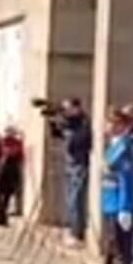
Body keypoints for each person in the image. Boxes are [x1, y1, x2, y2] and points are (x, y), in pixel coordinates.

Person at [95, 107, 133, 264]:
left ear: (123, 126)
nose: (109, 126)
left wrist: (125, 207)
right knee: (113, 248)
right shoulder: (114, 146)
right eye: (108, 122)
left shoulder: (126, 148)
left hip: (121, 205)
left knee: (123, 250)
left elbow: (127, 180)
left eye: (113, 123)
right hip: (110, 203)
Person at [49, 99, 93, 244]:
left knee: (76, 198)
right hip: (70, 162)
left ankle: (77, 232)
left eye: (68, 109)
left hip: (79, 163)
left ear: (77, 108)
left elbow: (80, 140)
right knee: (69, 198)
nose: (66, 112)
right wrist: (54, 122)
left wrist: (67, 130)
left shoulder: (83, 123)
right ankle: (70, 228)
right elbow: (57, 135)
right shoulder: (71, 122)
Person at [0, 125, 25, 226]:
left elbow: (20, 156)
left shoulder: (16, 143)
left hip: (10, 171)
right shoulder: (0, 141)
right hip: (1, 170)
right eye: (8, 132)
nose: (9, 134)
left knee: (5, 193)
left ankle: (1, 214)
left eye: (11, 132)